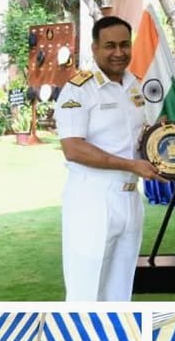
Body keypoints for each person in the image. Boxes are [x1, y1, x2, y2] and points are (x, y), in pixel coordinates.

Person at [55, 16, 160, 300]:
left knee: (120, 293)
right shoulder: (79, 89)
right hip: (93, 199)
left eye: (125, 45)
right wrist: (130, 165)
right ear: (94, 49)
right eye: (110, 45)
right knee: (86, 292)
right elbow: (73, 148)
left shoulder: (134, 86)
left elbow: (140, 139)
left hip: (129, 199)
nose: (118, 52)